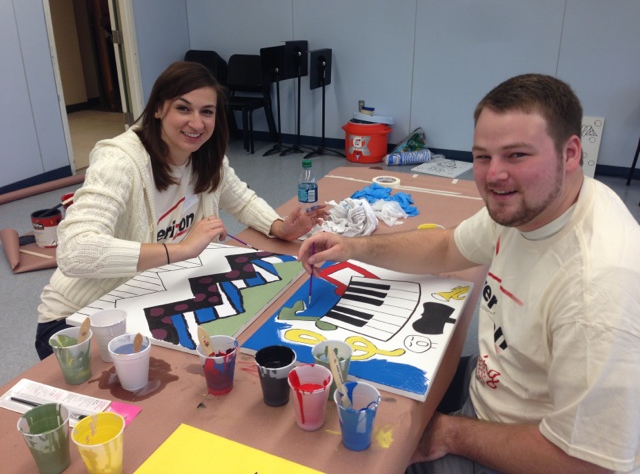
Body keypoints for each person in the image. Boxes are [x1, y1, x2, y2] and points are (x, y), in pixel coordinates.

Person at [298, 73, 640, 473]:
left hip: (529, 450)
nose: (494, 175)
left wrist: (448, 433)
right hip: (497, 389)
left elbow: (587, 465)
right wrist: (355, 247)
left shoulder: (597, 290)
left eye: (517, 155)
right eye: (482, 156)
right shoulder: (533, 206)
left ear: (570, 153)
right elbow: (447, 246)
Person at [36, 60, 326, 360]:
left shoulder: (204, 156)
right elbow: (75, 252)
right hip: (77, 321)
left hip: (143, 303)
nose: (197, 124)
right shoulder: (119, 161)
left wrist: (280, 227)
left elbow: (241, 199)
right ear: (159, 109)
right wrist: (182, 249)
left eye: (207, 112)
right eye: (183, 109)